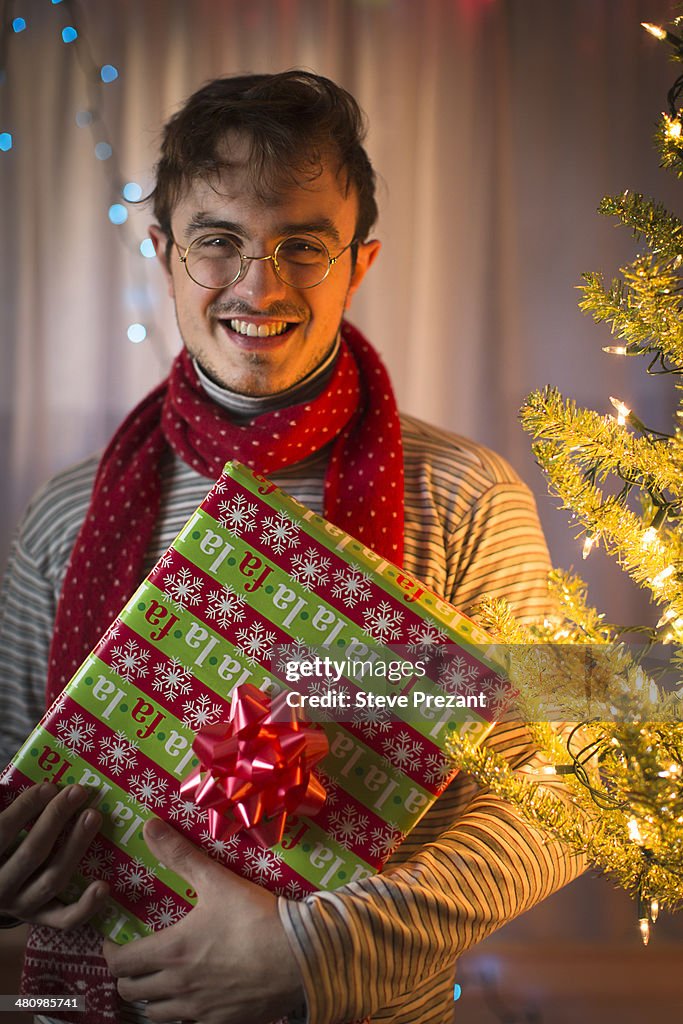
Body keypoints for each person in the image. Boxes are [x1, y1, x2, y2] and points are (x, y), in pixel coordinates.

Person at [0, 71, 583, 1024]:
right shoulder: (66, 513)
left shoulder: (468, 496)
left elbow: (563, 793)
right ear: (163, 251)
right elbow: (17, 765)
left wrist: (309, 950)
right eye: (217, 242)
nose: (259, 286)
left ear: (360, 261)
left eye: (303, 247)